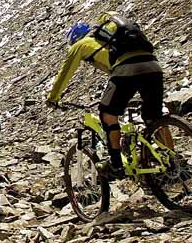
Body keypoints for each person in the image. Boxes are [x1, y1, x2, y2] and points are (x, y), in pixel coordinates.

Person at [46, 15, 163, 179]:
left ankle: (116, 164)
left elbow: (65, 73)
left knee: (107, 113)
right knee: (154, 117)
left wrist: (53, 98)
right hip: (153, 66)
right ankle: (172, 159)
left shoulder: (80, 45)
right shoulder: (111, 41)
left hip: (126, 69)